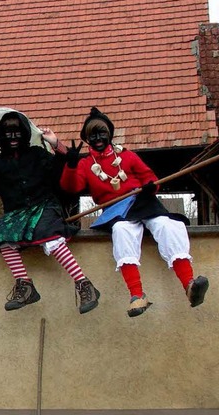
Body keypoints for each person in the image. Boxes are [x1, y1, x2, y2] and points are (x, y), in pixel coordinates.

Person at [60, 107, 209, 317]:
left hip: (143, 202)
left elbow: (150, 177)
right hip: (115, 210)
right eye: (92, 135)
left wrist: (150, 186)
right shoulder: (85, 164)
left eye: (102, 133)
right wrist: (71, 165)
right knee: (121, 231)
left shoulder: (127, 156)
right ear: (86, 138)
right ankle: (137, 296)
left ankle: (189, 285)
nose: (98, 138)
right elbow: (71, 187)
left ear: (109, 134)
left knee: (168, 226)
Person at [0, 110, 100, 314]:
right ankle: (25, 285)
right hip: (16, 214)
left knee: (49, 233)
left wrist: (57, 146)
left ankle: (84, 284)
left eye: (17, 133)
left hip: (45, 207)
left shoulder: (38, 154)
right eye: (8, 134)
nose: (12, 138)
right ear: (1, 136)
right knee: (2, 232)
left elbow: (59, 176)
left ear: (24, 134)